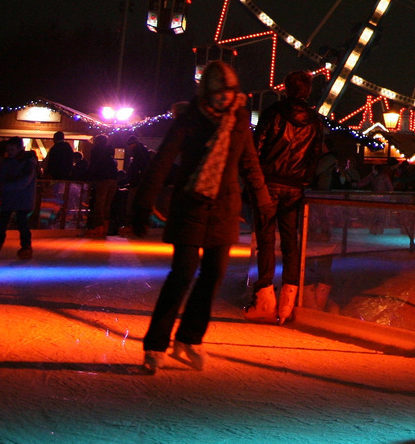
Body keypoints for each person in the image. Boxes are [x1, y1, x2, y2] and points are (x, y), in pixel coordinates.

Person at [131, 62, 273, 373]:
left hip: (224, 208)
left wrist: (264, 202)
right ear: (207, 91)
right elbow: (163, 160)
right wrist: (143, 202)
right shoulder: (190, 119)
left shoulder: (239, 122)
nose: (225, 97)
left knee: (213, 276)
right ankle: (156, 345)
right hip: (190, 205)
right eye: (219, 91)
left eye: (230, 91)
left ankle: (190, 338)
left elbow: (249, 164)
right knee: (182, 274)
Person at [246, 71, 327, 324]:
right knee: (290, 241)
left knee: (266, 240)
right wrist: (303, 180)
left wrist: (254, 179)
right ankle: (288, 301)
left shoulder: (273, 112)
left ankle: (264, 299)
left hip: (269, 183)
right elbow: (314, 157)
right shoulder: (315, 121)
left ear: (285, 88)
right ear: (308, 91)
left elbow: (257, 146)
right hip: (294, 187)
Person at [0, 138, 38, 260]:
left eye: (12, 149)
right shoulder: (7, 162)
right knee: (1, 224)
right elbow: (2, 179)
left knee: (22, 224)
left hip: (23, 199)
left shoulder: (28, 163)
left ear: (20, 149)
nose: (10, 152)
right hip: (9, 198)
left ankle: (26, 246)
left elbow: (24, 181)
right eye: (8, 149)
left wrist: (5, 187)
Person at [84, 133, 119, 237]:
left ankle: (99, 227)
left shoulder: (96, 150)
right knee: (107, 204)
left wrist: (89, 177)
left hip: (103, 179)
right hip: (113, 178)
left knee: (99, 203)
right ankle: (105, 227)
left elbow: (94, 165)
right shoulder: (110, 152)